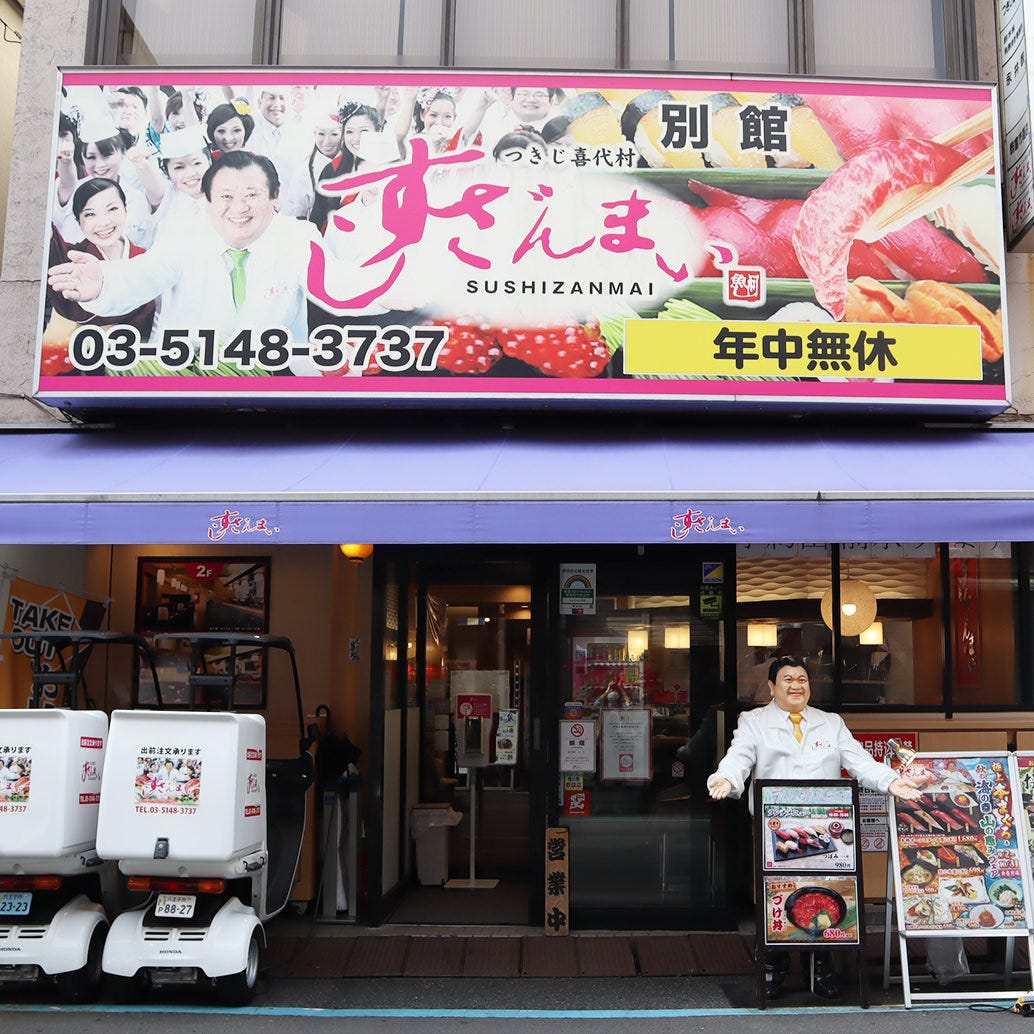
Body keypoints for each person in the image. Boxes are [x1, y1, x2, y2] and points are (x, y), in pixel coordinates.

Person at [708, 655, 922, 1001]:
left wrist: (891, 781)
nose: (796, 685)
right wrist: (726, 778)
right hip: (777, 830)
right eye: (788, 679)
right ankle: (773, 968)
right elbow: (739, 757)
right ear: (772, 687)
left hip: (826, 830)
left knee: (824, 892)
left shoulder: (830, 722)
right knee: (779, 896)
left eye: (802, 679)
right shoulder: (754, 721)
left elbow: (859, 762)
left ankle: (820, 968)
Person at [47, 150, 389, 365]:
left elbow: (337, 285)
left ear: (275, 197)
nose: (239, 207)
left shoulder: (297, 235)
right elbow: (143, 275)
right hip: (192, 383)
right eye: (225, 196)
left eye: (252, 194)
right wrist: (103, 283)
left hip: (278, 385)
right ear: (208, 202)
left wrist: (389, 287)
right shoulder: (182, 236)